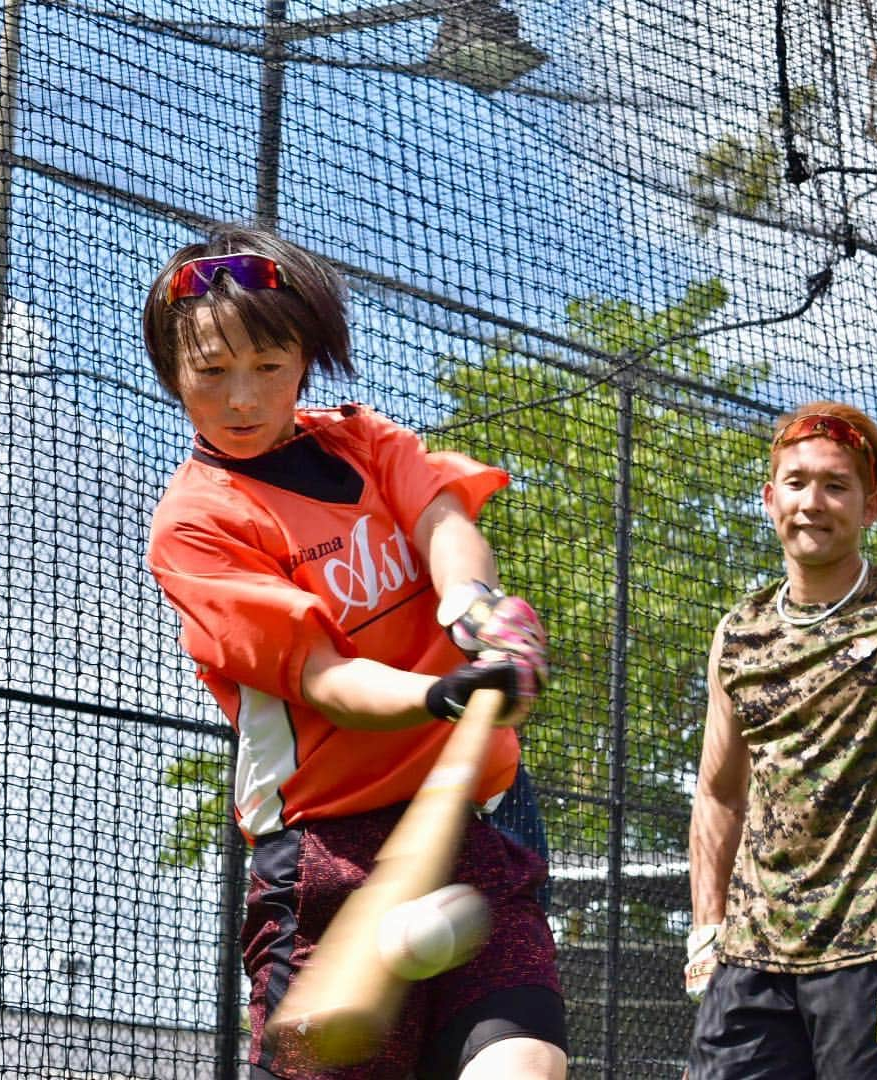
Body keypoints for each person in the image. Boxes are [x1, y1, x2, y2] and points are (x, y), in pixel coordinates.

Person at [141, 225, 568, 1080]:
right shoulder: (198, 526)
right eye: (211, 372)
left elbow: (443, 521)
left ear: (305, 357)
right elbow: (327, 681)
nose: (242, 398)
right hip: (325, 856)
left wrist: (475, 606)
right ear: (171, 372)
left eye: (269, 365)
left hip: (479, 817)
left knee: (525, 1064)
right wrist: (438, 697)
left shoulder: (362, 440)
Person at [685, 401, 877, 1079]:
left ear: (871, 506)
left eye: (836, 485)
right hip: (751, 957)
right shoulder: (737, 634)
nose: (813, 502)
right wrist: (706, 928)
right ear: (770, 499)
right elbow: (718, 794)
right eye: (796, 483)